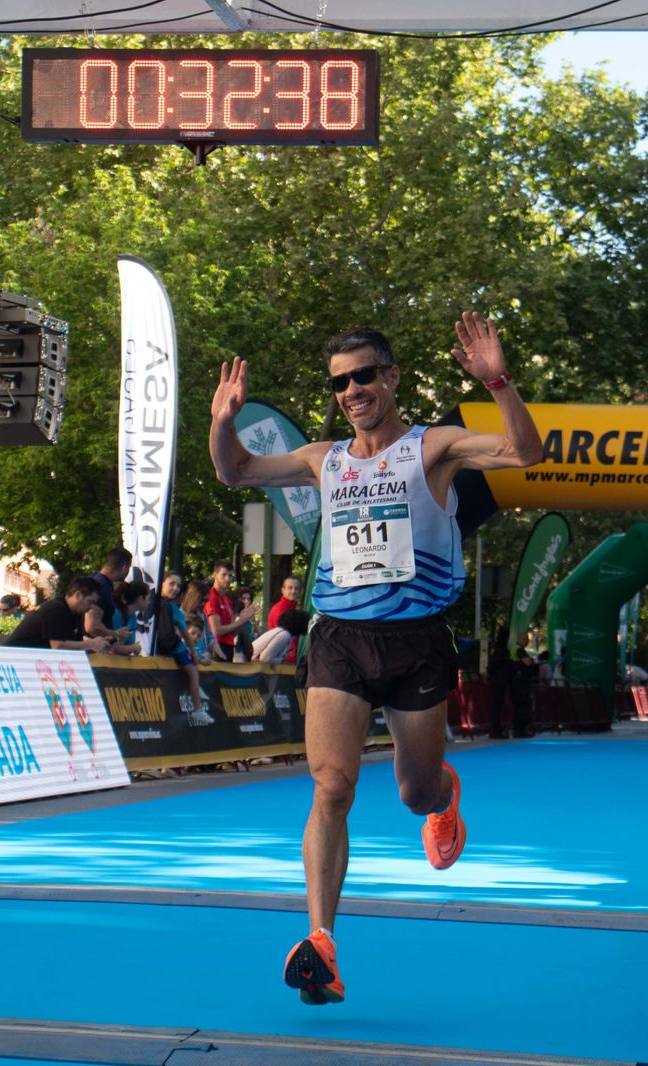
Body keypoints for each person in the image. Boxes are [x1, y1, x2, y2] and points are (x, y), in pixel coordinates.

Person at [209, 312, 541, 1005]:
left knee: (413, 792)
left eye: (364, 376)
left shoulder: (433, 448)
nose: (352, 390)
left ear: (390, 377)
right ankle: (322, 942)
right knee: (331, 787)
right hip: (339, 638)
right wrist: (223, 420)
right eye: (340, 383)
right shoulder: (322, 459)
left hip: (417, 639)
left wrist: (498, 382)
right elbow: (235, 470)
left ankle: (442, 797)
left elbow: (525, 454)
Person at [156, 572, 214, 725]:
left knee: (194, 671)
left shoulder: (167, 606)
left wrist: (194, 651)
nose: (175, 588)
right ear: (161, 583)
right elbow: (184, 633)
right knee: (194, 673)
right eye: (171, 584)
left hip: (171, 647)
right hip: (171, 647)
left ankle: (197, 700)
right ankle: (197, 707)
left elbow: (184, 631)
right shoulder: (166, 606)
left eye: (178, 586)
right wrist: (193, 652)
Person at [3, 576, 113, 652]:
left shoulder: (76, 613)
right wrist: (91, 644)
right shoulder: (56, 609)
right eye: (90, 601)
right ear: (78, 595)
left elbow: (74, 644)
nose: (92, 607)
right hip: (14, 659)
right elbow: (58, 646)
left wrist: (100, 644)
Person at [203, 561, 258, 663]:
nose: (227, 579)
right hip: (217, 648)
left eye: (230, 575)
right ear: (214, 575)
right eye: (223, 575)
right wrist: (240, 622)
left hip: (229, 646)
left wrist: (241, 619)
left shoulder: (227, 599)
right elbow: (216, 631)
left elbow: (232, 632)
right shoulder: (212, 597)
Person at [86, 547, 134, 644]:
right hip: (94, 652)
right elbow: (92, 626)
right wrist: (116, 634)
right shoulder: (102, 586)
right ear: (124, 568)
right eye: (129, 568)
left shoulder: (93, 579)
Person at [267, 576, 304, 663]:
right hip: (283, 659)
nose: (293, 591)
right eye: (290, 588)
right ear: (282, 590)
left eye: (296, 588)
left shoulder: (293, 609)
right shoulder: (280, 609)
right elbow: (283, 637)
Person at [487, 627, 513, 739]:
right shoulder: (501, 651)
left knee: (499, 706)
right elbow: (492, 666)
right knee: (497, 706)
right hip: (498, 683)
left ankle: (497, 729)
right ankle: (495, 730)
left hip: (500, 682)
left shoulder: (501, 650)